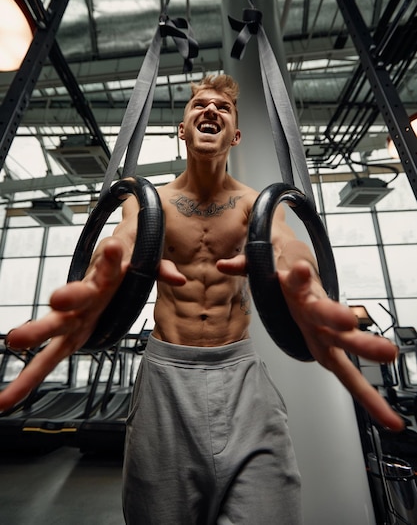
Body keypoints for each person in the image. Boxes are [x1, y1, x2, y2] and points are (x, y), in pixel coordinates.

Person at [0, 74, 403, 524]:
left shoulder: (257, 205)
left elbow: (286, 246)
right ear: (182, 128)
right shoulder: (150, 203)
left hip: (242, 379)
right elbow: (121, 244)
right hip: (166, 380)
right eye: (199, 107)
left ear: (235, 134)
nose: (209, 111)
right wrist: (98, 282)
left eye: (222, 108)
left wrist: (305, 282)